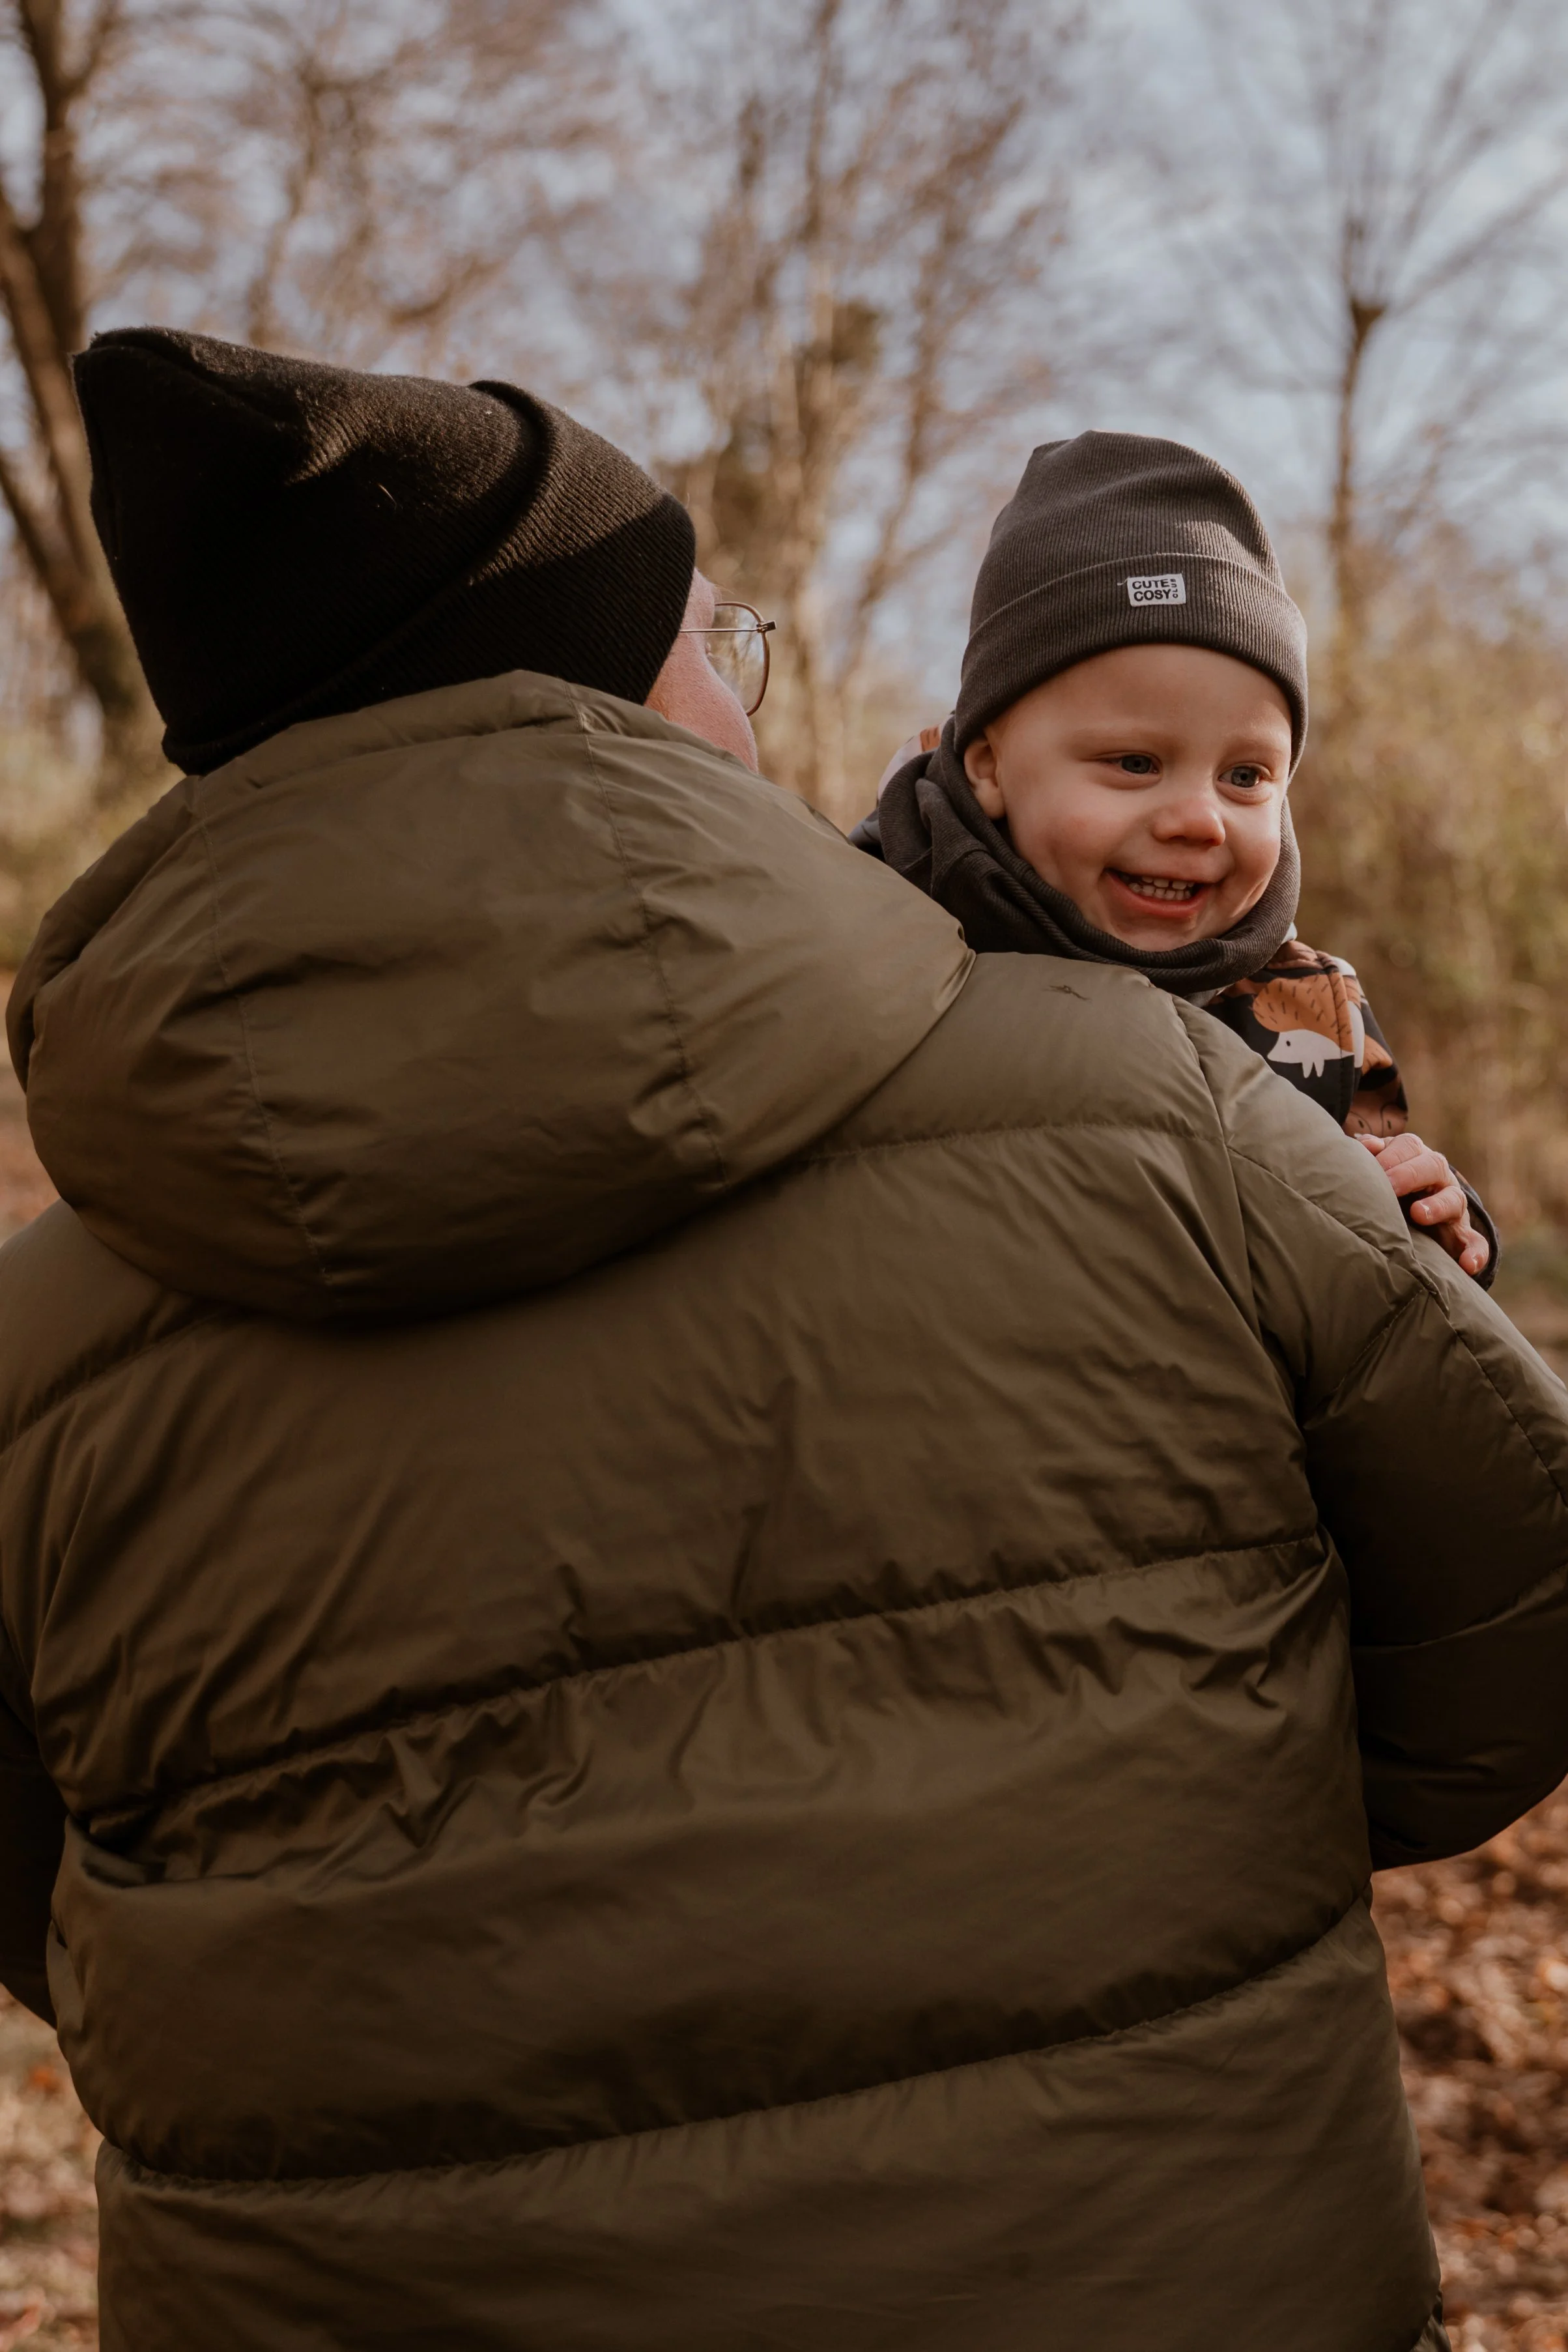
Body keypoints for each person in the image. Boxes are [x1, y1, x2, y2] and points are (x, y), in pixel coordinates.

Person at [1, 330, 1565, 2352]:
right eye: (709, 639)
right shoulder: (1153, 1108)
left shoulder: (35, 1358)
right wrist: (1144, 1788)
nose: (743, 689)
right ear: (600, 691)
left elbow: (56, 1900)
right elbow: (1507, 1605)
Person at [853, 432, 1496, 1282]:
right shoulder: (882, 942)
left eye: (1244, 775)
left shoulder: (1311, 1009)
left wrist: (1440, 1222)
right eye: (1134, 763)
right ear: (989, 766)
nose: (1198, 820)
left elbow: (1392, 1296)